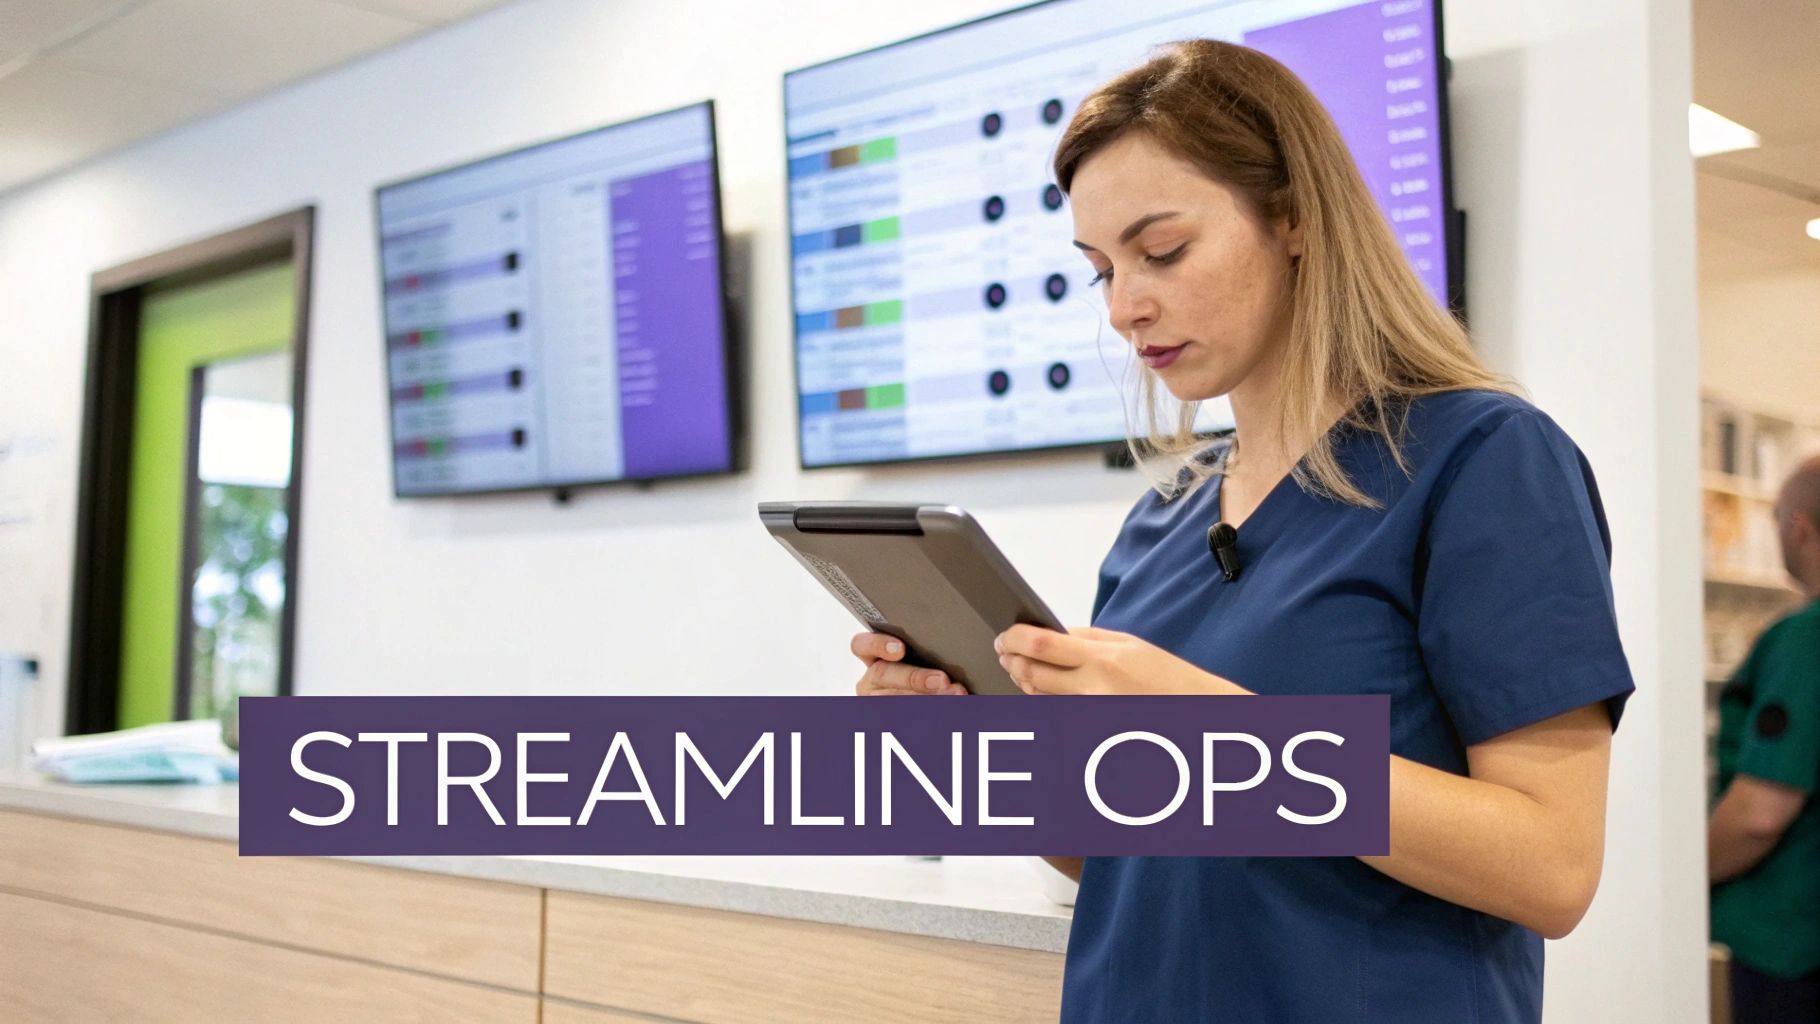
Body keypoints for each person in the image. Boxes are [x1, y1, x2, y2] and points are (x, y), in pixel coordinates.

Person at [850, 40, 1635, 1022]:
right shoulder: (1159, 521)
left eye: (1162, 250)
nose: (1124, 307)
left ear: (1293, 215)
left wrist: (1219, 731)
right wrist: (985, 758)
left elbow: (1549, 865)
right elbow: (1111, 847)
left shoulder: (1481, 462)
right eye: (1099, 270)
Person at [1709, 455, 1820, 1022]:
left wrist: (1679, 874)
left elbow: (1760, 813)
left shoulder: (1804, 641)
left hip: (1788, 942)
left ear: (1796, 527)